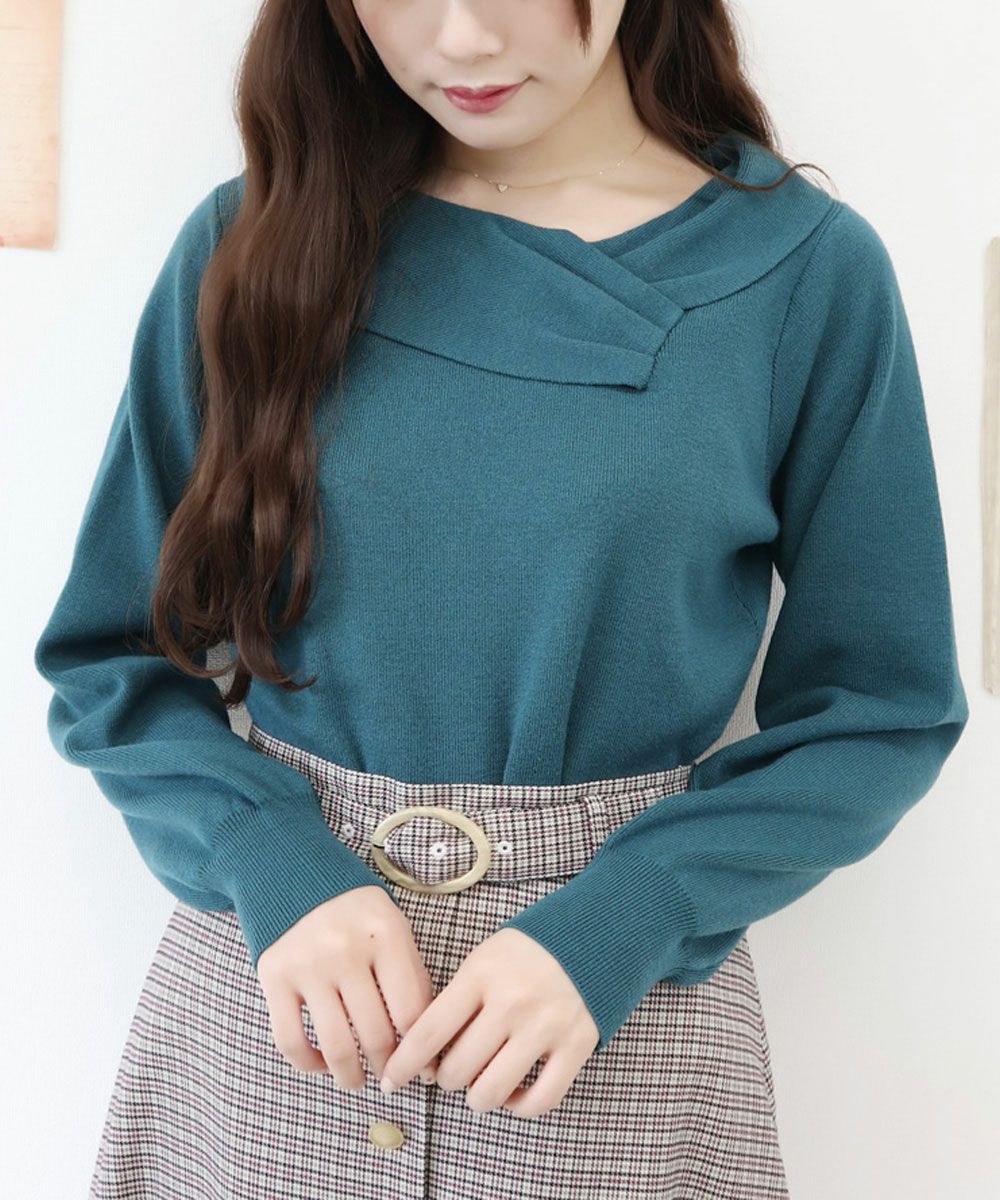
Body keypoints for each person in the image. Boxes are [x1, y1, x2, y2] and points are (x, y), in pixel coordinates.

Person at [34, 1, 969, 1197]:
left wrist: (630, 913)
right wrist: (265, 856)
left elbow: (879, 707)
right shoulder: (257, 241)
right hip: (278, 1013)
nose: (463, 39)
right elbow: (116, 656)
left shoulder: (804, 276)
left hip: (614, 1026)